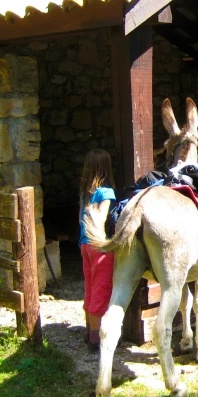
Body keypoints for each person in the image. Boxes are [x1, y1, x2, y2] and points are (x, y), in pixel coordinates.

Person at [79, 148, 116, 353]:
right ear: (106, 169)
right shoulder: (106, 192)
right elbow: (100, 220)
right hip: (99, 246)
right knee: (101, 291)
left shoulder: (85, 193)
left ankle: (88, 330)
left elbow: (81, 219)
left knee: (90, 288)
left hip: (84, 244)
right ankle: (96, 339)